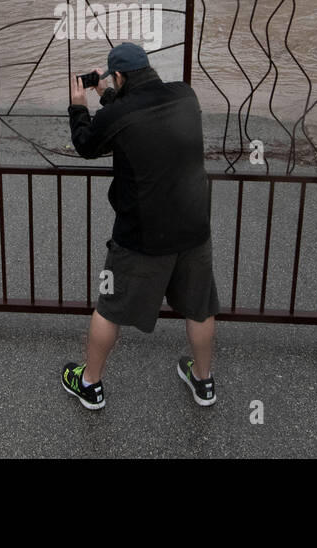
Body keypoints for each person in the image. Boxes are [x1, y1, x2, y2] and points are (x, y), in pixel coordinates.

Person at [60, 41, 219, 410]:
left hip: (142, 236)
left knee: (110, 308)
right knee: (199, 306)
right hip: (194, 226)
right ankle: (203, 381)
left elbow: (87, 144)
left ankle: (90, 384)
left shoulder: (118, 115)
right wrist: (111, 97)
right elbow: (142, 119)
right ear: (148, 68)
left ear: (117, 76)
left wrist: (79, 106)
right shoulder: (184, 96)